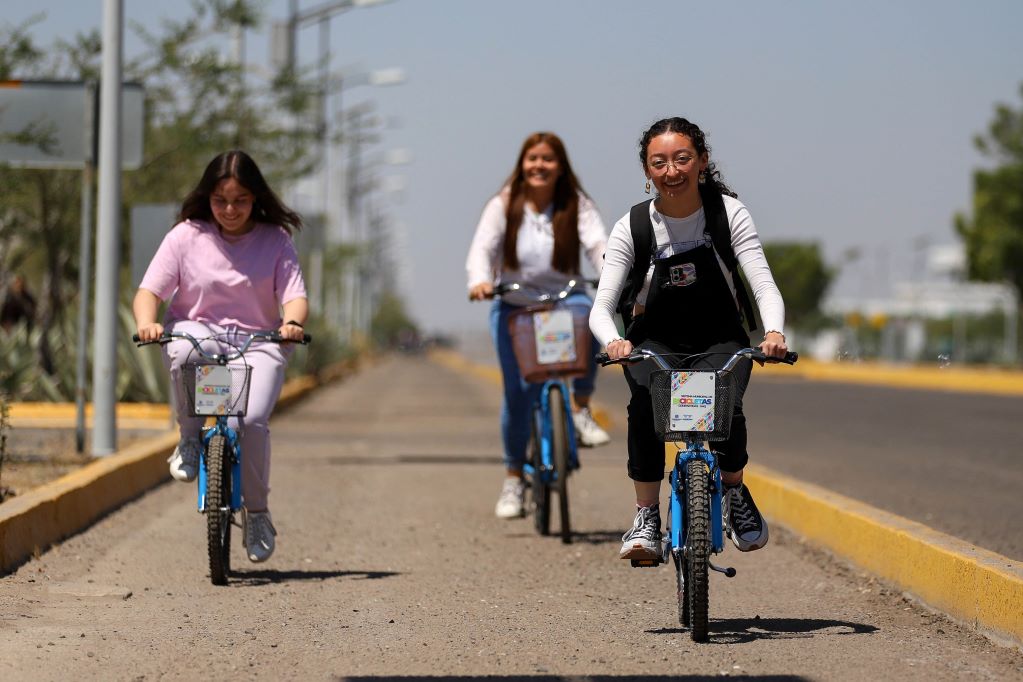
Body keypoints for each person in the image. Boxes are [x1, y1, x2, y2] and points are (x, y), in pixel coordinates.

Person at [589, 117, 789, 561]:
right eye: (659, 162)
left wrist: (773, 331)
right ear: (647, 171)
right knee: (644, 405)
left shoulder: (728, 214)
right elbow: (601, 306)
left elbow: (761, 282)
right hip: (653, 342)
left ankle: (734, 492)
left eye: (682, 159)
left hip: (720, 336)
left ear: (701, 161)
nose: (671, 171)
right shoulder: (633, 227)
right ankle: (646, 517)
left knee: (724, 404)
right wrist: (613, 341)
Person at [133, 150, 308, 563]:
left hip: (259, 341)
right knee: (192, 350)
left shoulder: (275, 240)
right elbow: (150, 292)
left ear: (256, 198)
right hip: (201, 333)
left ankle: (258, 512)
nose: (230, 210)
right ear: (207, 197)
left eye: (241, 200)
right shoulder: (186, 235)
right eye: (220, 200)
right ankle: (190, 440)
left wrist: (292, 323)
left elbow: (295, 297)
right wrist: (148, 322)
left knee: (249, 420)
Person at [466, 131, 611, 519]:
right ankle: (514, 476)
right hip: (514, 305)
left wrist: (614, 277)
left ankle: (580, 407)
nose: (539, 166)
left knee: (595, 317)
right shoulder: (504, 203)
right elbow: (483, 248)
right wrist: (479, 280)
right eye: (532, 159)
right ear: (522, 164)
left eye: (548, 159)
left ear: (561, 166)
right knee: (518, 395)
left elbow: (599, 244)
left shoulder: (576, 204)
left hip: (565, 298)